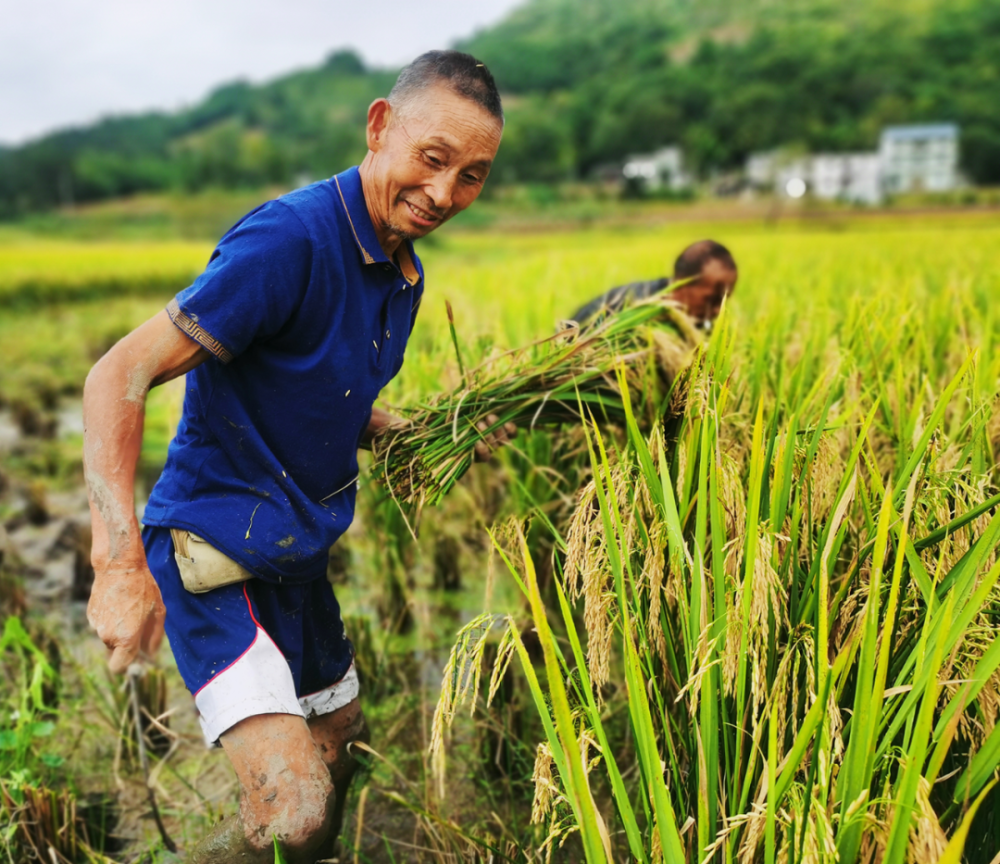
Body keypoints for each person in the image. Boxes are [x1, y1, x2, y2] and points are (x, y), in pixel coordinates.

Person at [82, 51, 513, 864]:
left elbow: (319, 391)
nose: (445, 193)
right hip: (214, 551)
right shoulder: (291, 240)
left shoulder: (402, 274)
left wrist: (405, 429)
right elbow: (118, 375)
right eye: (433, 159)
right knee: (294, 809)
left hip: (296, 557)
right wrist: (115, 563)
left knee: (343, 743)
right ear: (381, 126)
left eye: (473, 175)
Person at [569, 239, 738, 330]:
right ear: (681, 285)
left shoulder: (697, 321)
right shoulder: (634, 312)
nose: (717, 310)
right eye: (711, 299)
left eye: (724, 301)